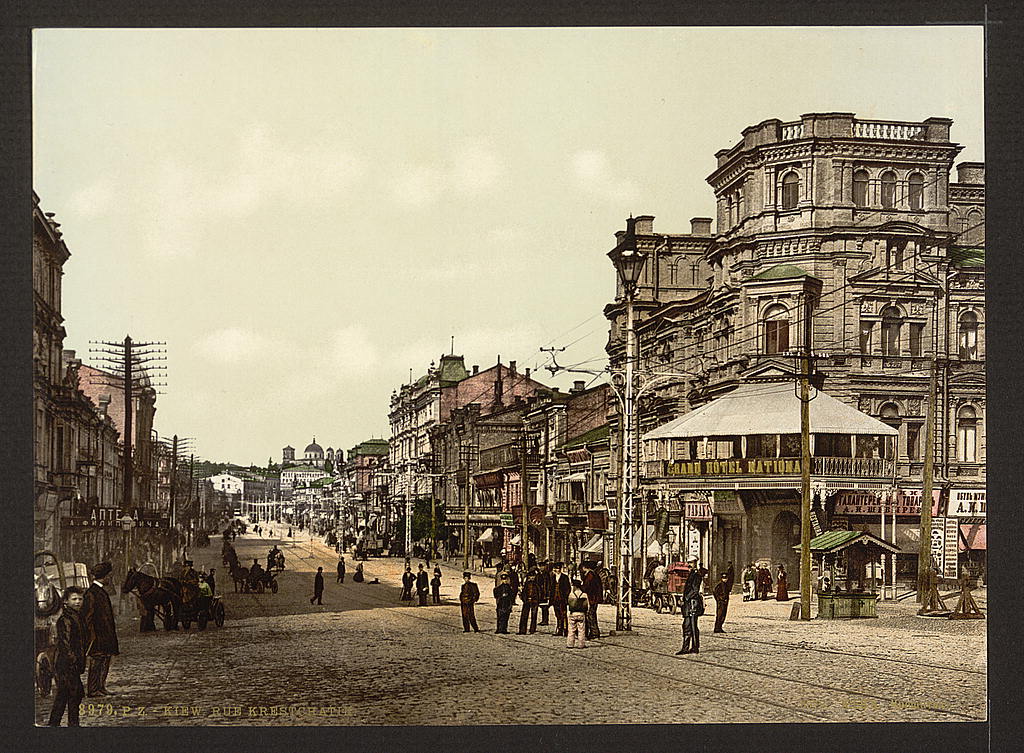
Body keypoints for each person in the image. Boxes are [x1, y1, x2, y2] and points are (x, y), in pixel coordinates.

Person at [47, 587, 86, 726]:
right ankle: (72, 724)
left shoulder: (76, 616)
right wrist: (74, 660)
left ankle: (56, 723)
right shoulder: (65, 620)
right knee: (73, 694)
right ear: (66, 601)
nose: (77, 602)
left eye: (80, 599)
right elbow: (65, 643)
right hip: (66, 664)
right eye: (74, 599)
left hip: (71, 663)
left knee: (65, 694)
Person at [82, 562, 118, 697]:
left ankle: (101, 687)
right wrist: (91, 636)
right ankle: (93, 689)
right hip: (97, 636)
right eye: (109, 576)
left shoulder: (101, 591)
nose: (110, 578)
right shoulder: (92, 593)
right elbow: (88, 618)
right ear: (105, 576)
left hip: (105, 635)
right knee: (97, 662)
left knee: (105, 660)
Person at [677, 556, 707, 655]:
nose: (689, 565)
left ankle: (692, 648)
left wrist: (686, 598)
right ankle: (692, 647)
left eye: (691, 563)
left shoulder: (696, 575)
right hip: (689, 603)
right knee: (689, 625)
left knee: (691, 626)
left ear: (695, 563)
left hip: (692, 603)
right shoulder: (692, 574)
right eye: (688, 563)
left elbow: (695, 590)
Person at [581, 562, 603, 640]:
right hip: (594, 597)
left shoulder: (590, 575)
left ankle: (594, 633)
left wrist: (581, 587)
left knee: (591, 615)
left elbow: (587, 587)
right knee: (591, 615)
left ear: (585, 567)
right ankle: (593, 632)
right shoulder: (593, 574)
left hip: (592, 598)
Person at [566, 579, 589, 649]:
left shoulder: (571, 594)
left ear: (575, 586)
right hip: (581, 614)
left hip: (573, 614)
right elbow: (587, 605)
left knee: (571, 629)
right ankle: (581, 644)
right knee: (581, 630)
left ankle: (570, 644)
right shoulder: (584, 595)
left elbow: (569, 604)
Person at [517, 568, 541, 635]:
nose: (532, 578)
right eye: (530, 576)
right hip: (527, 601)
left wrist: (537, 600)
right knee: (524, 615)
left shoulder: (536, 585)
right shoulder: (526, 584)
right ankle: (522, 630)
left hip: (534, 602)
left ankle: (532, 629)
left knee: (534, 616)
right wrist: (524, 600)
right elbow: (524, 593)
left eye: (533, 576)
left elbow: (539, 593)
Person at [551, 562, 571, 637]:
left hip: (562, 598)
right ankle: (559, 628)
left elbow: (567, 588)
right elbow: (551, 588)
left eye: (558, 568)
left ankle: (565, 630)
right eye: (556, 568)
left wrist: (566, 596)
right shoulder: (552, 577)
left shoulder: (565, 577)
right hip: (555, 598)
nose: (557, 570)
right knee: (557, 614)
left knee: (563, 614)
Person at [538, 560, 555, 627]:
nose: (541, 568)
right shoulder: (539, 574)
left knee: (545, 607)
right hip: (540, 592)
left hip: (545, 592)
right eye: (540, 566)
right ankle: (543, 619)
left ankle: (545, 620)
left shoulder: (547, 574)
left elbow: (548, 584)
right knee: (542, 606)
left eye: (542, 566)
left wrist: (548, 593)